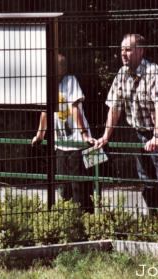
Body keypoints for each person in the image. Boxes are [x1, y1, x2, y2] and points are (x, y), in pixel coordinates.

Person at [95, 33, 158, 215]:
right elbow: (115, 106)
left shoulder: (153, 72)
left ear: (140, 51)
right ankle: (155, 221)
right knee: (146, 179)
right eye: (122, 49)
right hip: (138, 133)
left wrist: (157, 135)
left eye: (128, 49)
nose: (123, 53)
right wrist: (106, 136)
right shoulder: (122, 73)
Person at [32, 53, 97, 212]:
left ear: (63, 68)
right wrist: (40, 135)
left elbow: (75, 108)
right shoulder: (48, 85)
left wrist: (84, 134)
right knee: (64, 186)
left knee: (80, 186)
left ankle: (84, 220)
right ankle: (68, 220)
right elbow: (45, 111)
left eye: (56, 66)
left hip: (78, 144)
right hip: (61, 143)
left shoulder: (70, 81)